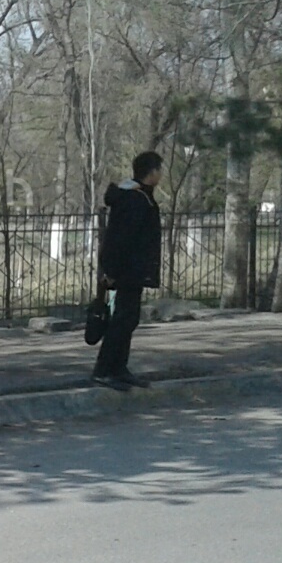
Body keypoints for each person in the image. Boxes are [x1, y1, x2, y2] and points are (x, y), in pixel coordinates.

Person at [92, 151, 164, 390]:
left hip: (133, 269)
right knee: (122, 320)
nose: (161, 174)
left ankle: (119, 368)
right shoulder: (135, 199)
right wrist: (112, 270)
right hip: (127, 269)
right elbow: (121, 239)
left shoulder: (138, 196)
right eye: (159, 170)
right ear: (151, 172)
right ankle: (104, 369)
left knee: (128, 319)